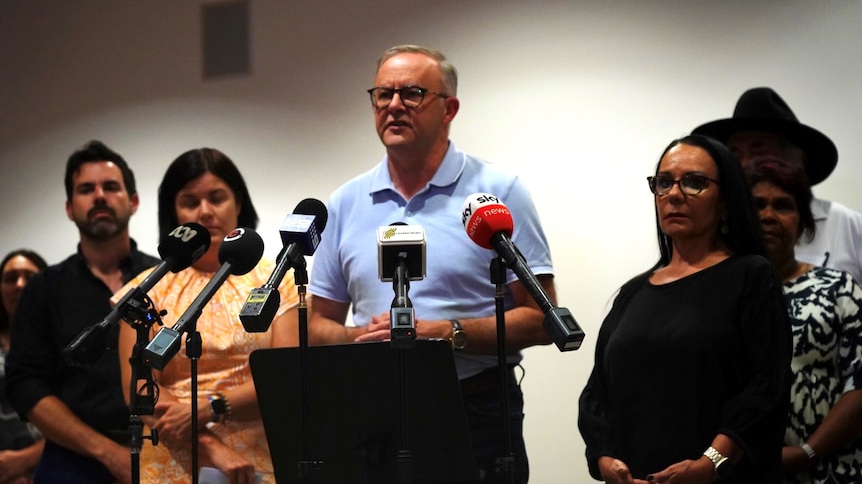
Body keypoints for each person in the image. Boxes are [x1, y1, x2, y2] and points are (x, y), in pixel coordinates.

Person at [307, 44, 555, 483]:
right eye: (383, 95)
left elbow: (541, 319)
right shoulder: (345, 202)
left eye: (413, 93)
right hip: (373, 412)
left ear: (449, 108)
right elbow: (317, 324)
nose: (394, 106)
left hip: (473, 410)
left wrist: (446, 334)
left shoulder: (497, 192)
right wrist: (361, 336)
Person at [578, 134, 792, 484]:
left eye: (694, 183)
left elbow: (766, 387)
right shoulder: (632, 293)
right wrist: (603, 456)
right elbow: (597, 391)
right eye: (664, 183)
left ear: (726, 201)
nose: (674, 195)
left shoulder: (750, 276)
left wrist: (711, 463)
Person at [116, 148, 299, 484]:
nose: (205, 212)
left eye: (217, 198)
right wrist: (210, 448)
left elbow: (284, 377)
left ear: (238, 203)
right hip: (171, 461)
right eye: (189, 201)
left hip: (258, 462)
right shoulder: (147, 289)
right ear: (174, 211)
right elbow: (141, 391)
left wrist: (212, 406)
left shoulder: (278, 281)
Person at [5, 140, 159, 484]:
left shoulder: (163, 280)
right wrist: (106, 452)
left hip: (163, 448)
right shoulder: (43, 289)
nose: (100, 196)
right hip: (73, 459)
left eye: (111, 187)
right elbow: (25, 385)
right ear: (70, 208)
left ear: (133, 202)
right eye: (86, 189)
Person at [745, 157, 862, 483]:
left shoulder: (840, 289)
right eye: (757, 205)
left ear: (803, 223)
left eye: (783, 206)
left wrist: (807, 452)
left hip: (831, 471)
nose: (768, 216)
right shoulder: (723, 296)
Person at [693, 86, 862, 283]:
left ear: (796, 160)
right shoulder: (716, 230)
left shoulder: (845, 225)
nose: (745, 163)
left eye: (758, 150)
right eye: (735, 153)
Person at [1, 249, 47, 484]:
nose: (20, 285)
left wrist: (24, 460)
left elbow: (88, 413)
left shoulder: (70, 348)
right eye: (10, 278)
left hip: (60, 466)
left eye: (29, 277)